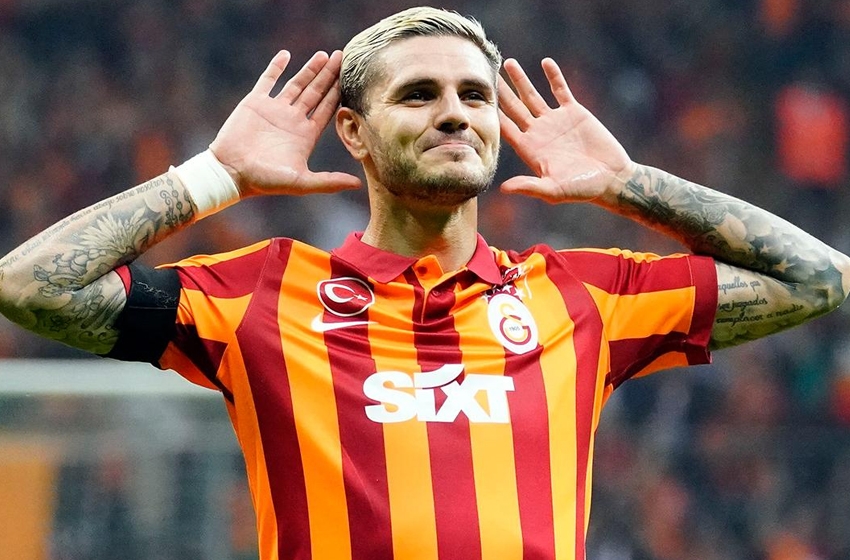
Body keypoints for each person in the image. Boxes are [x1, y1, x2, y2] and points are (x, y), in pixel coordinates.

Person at [0, 6, 848, 559]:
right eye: (418, 94)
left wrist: (629, 184)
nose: (455, 112)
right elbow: (33, 287)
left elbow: (817, 280)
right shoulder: (262, 294)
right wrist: (213, 177)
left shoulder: (579, 297)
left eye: (474, 95)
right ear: (353, 132)